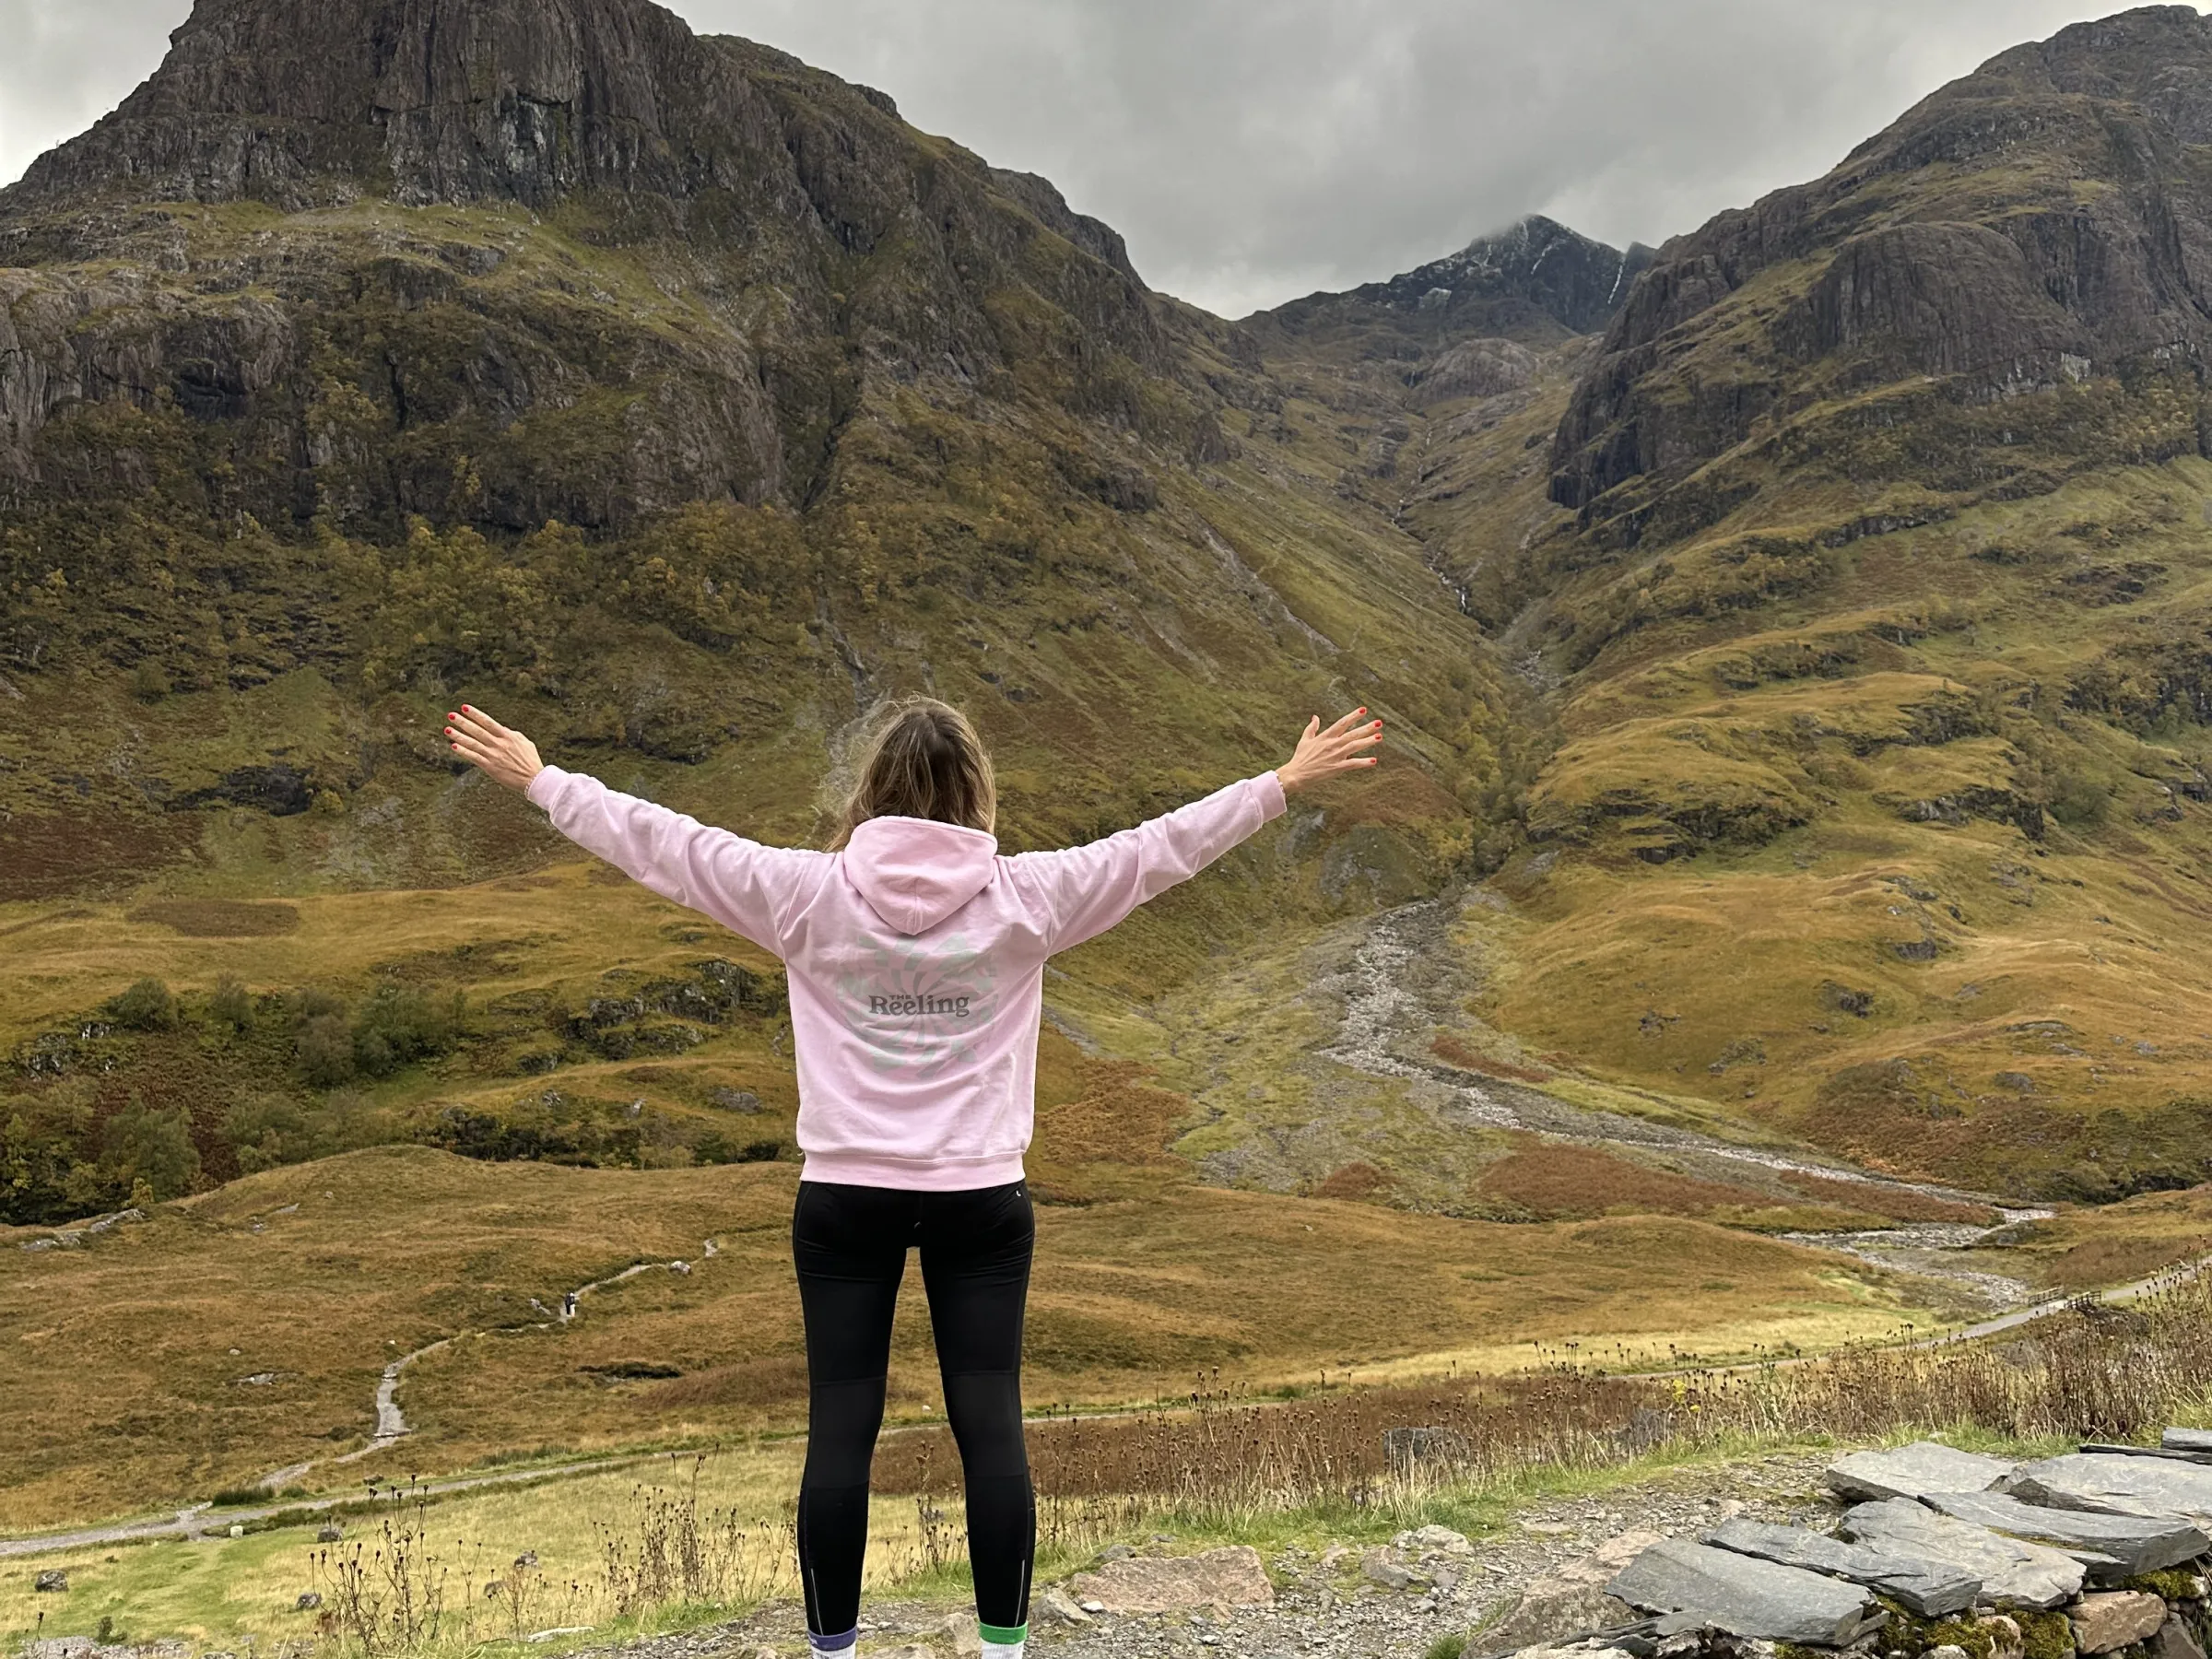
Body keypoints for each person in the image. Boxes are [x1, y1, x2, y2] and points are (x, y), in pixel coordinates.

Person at [443, 697, 1384, 1659]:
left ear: (871, 795)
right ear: (976, 792)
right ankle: (1003, 1650)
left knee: (841, 1424)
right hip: (980, 1198)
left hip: (844, 1197)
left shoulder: (801, 892)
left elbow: (665, 844)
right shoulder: (1029, 895)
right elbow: (1159, 849)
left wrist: (542, 779)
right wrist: (1279, 786)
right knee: (990, 1419)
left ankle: (834, 1652)